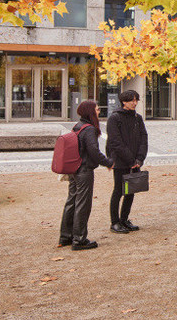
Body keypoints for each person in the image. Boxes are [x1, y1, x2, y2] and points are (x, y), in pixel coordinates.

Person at [59, 100, 113, 250]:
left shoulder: (77, 126)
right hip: (84, 170)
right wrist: (108, 163)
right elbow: (94, 152)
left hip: (74, 169)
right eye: (96, 109)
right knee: (83, 204)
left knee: (71, 202)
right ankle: (79, 239)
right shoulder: (89, 129)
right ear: (90, 111)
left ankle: (66, 236)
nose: (98, 111)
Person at [106, 90, 148, 234]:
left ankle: (124, 219)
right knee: (118, 191)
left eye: (136, 100)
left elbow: (144, 138)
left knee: (131, 191)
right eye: (132, 100)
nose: (135, 103)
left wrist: (140, 159)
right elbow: (115, 142)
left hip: (135, 161)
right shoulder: (114, 118)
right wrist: (131, 160)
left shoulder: (138, 118)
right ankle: (115, 222)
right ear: (124, 101)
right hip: (120, 162)